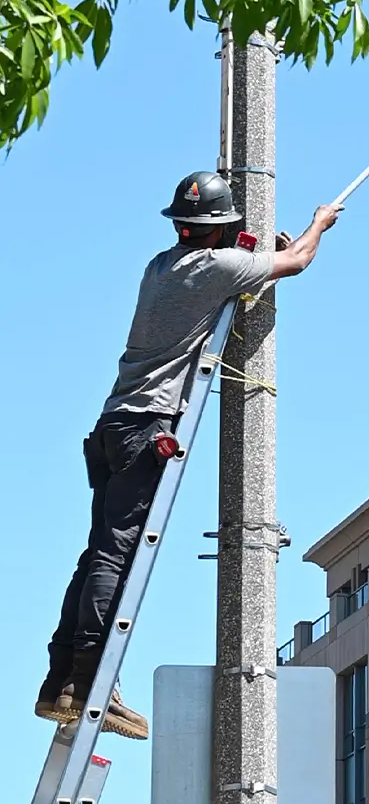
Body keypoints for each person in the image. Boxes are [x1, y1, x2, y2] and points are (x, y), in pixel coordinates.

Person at [34, 171, 342, 740]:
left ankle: (63, 680)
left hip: (111, 424)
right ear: (218, 229)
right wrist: (318, 225)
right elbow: (295, 262)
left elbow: (240, 272)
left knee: (97, 552)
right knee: (117, 556)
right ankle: (88, 680)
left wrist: (250, 251)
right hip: (147, 427)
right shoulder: (216, 268)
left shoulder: (160, 266)